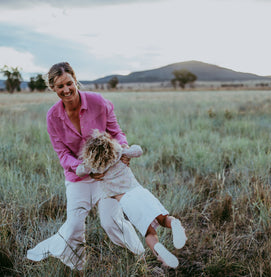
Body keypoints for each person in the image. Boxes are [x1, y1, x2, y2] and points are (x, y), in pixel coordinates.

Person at [26, 62, 144, 270]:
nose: (66, 90)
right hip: (77, 176)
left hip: (106, 174)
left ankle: (141, 257)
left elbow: (116, 131)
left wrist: (123, 150)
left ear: (75, 80)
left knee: (111, 222)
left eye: (69, 83)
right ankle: (78, 267)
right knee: (73, 226)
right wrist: (84, 166)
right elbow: (62, 154)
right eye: (59, 86)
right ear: (52, 88)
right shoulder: (53, 116)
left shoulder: (98, 102)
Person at [76, 129, 187, 268]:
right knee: (163, 219)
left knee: (149, 233)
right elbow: (138, 150)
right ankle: (175, 225)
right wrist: (123, 149)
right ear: (110, 145)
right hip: (141, 193)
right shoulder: (121, 154)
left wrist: (89, 167)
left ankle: (162, 255)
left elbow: (79, 171)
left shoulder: (96, 169)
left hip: (128, 202)